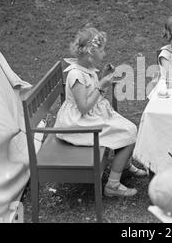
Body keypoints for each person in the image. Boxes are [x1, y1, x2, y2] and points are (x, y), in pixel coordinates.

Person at [54, 25, 147, 198]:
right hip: (78, 124)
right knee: (130, 131)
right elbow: (83, 107)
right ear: (90, 54)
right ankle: (113, 185)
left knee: (128, 128)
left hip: (88, 117)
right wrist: (101, 85)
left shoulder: (86, 70)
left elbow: (91, 96)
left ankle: (124, 165)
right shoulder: (76, 76)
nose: (104, 54)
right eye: (102, 51)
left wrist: (102, 77)